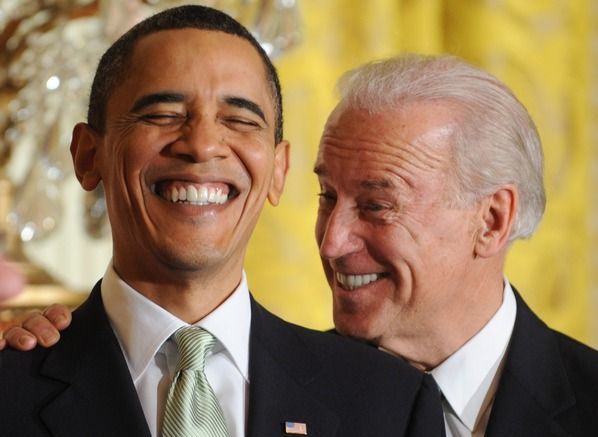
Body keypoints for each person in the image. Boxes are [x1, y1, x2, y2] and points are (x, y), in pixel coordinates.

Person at [7, 54, 598, 436]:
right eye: (326, 196)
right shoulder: (285, 380)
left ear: (492, 221)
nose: (332, 241)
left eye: (376, 205)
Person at [0, 6, 445, 437]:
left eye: (239, 119)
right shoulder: (11, 383)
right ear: (87, 155)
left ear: (278, 170)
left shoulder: (388, 401)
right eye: (163, 115)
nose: (203, 145)